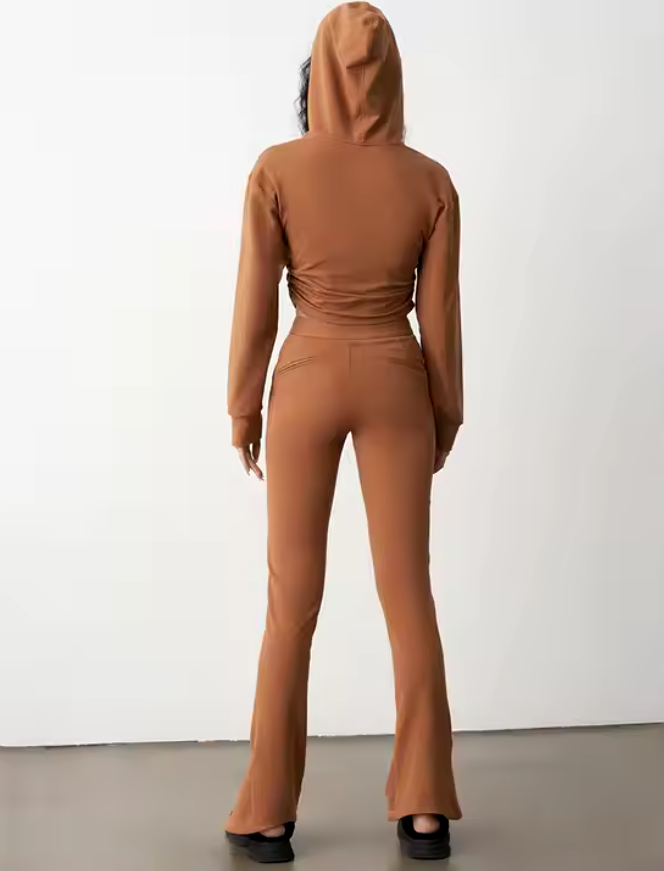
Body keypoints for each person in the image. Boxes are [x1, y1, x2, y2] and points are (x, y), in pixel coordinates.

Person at [224, 2, 463, 863]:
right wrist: (444, 414)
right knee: (409, 594)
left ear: (317, 74)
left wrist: (244, 408)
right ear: (392, 77)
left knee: (291, 601)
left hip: (308, 376)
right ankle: (425, 809)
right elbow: (441, 316)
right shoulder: (431, 182)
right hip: (397, 379)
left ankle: (266, 813)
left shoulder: (276, 170)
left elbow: (255, 304)